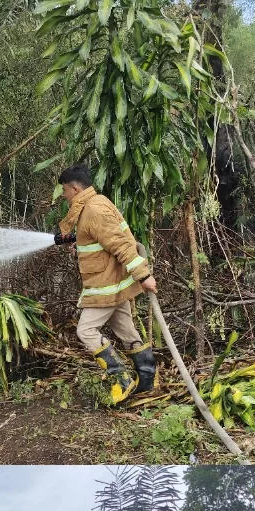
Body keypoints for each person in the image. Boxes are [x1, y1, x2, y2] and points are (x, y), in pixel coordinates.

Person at [53, 164, 158, 404]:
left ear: (75, 188)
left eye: (65, 190)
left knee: (86, 331)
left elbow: (120, 245)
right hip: (115, 283)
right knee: (126, 330)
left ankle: (120, 377)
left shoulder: (94, 210)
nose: (64, 195)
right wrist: (73, 237)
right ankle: (147, 378)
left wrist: (144, 276)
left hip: (106, 285)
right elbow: (99, 239)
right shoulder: (95, 204)